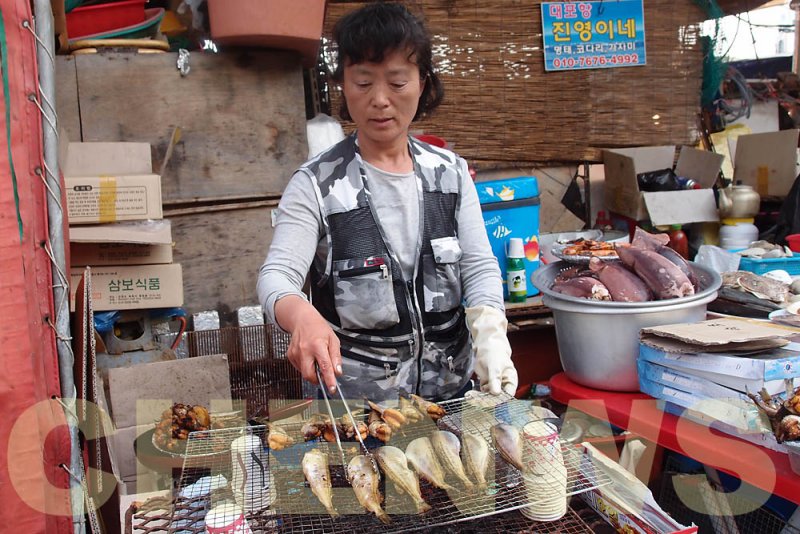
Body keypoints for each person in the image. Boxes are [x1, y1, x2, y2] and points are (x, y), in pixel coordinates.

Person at [257, 2, 517, 402]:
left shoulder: (450, 174)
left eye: (396, 83)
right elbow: (277, 276)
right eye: (363, 83)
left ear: (422, 83)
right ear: (343, 84)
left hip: (451, 399)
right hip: (360, 412)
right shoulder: (316, 183)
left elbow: (479, 265)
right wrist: (302, 316)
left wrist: (490, 328)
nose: (380, 99)